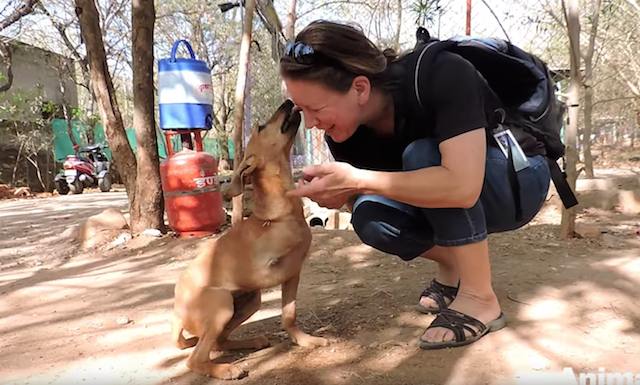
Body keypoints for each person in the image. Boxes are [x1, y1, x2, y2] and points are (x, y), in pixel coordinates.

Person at [280, 20, 550, 349]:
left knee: (423, 155)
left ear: (360, 88)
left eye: (316, 109)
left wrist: (358, 178)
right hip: (464, 190)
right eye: (301, 110)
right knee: (369, 213)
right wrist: (344, 193)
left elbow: (462, 185)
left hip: (518, 181)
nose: (310, 123)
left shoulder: (440, 73)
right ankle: (456, 265)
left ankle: (479, 298)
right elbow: (387, 191)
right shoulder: (346, 135)